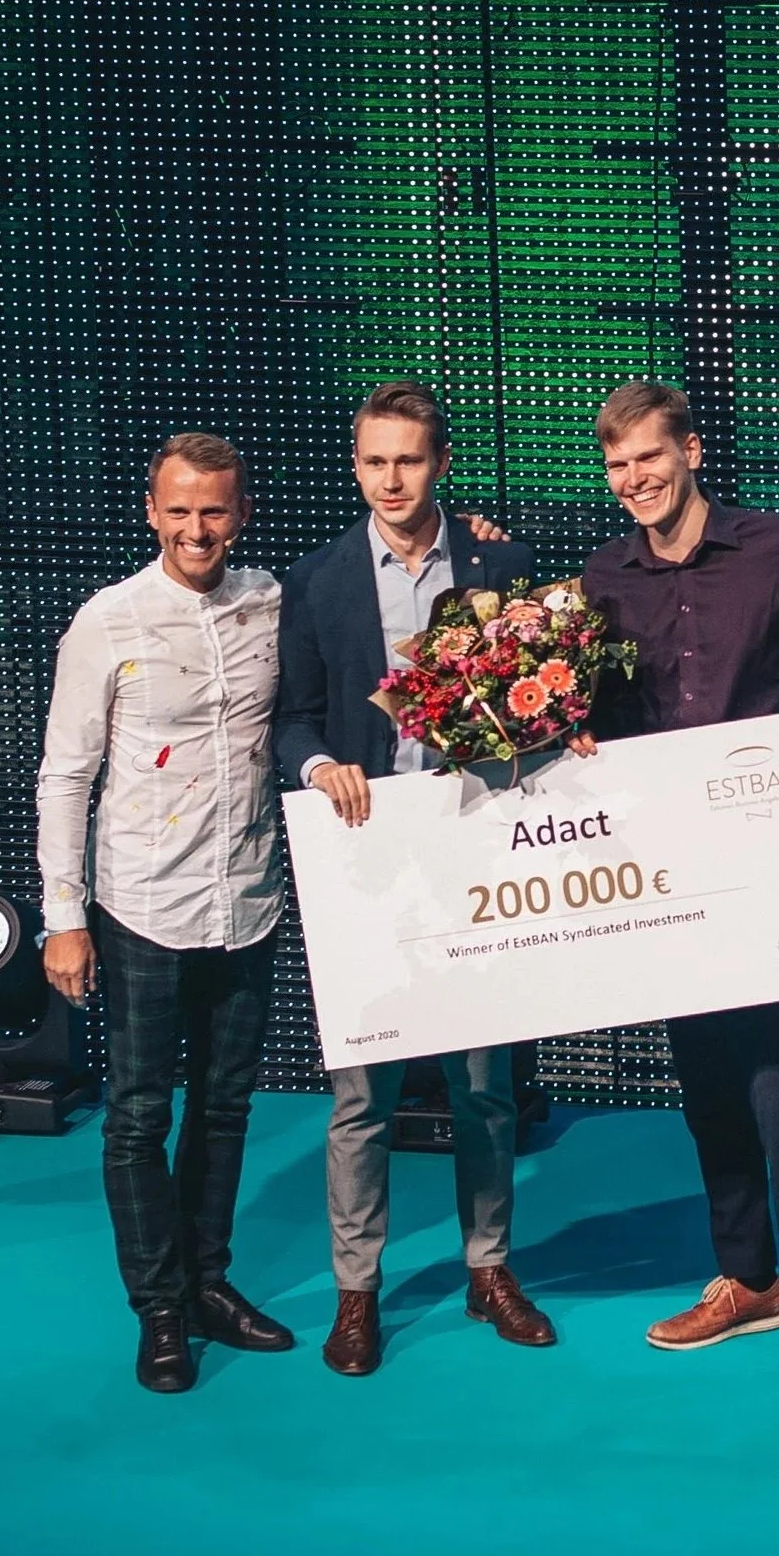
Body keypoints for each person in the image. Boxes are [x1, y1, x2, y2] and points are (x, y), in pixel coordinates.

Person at [579, 380, 779, 1391]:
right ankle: (748, 1279)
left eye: (648, 458)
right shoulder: (602, 576)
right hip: (667, 861)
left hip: (771, 851)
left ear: (691, 451)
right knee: (705, 1083)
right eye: (617, 465)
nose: (634, 479)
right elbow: (598, 714)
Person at [275, 380, 556, 1377]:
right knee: (363, 1099)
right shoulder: (316, 580)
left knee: (485, 1087)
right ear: (355, 467)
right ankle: (357, 1292)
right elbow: (290, 719)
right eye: (372, 461)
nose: (389, 479)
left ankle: (489, 1270)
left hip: (472, 855)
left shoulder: (500, 564)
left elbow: (540, 696)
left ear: (439, 463)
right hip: (366, 862)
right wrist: (320, 766)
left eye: (407, 459)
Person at [37, 432, 294, 1394]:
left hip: (248, 896)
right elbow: (65, 776)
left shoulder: (272, 602)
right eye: (179, 510)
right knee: (139, 1116)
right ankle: (158, 1309)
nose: (196, 528)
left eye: (213, 510)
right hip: (142, 903)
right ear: (151, 512)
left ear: (241, 513)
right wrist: (64, 916)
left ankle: (209, 1285)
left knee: (224, 1108)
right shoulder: (108, 619)